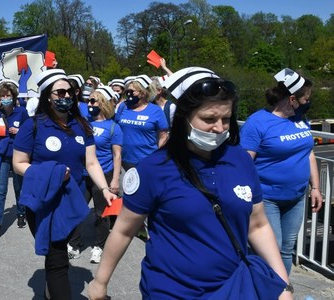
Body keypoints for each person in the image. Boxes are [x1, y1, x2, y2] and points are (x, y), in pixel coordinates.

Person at [88, 67, 292, 300]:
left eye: (226, 119)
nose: (219, 128)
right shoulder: (154, 169)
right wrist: (100, 282)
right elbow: (124, 230)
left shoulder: (241, 161)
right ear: (183, 118)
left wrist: (282, 285)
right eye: (209, 119)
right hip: (172, 290)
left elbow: (257, 225)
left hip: (233, 288)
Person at [13, 69, 115, 300]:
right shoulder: (33, 126)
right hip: (43, 201)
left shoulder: (82, 125)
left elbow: (91, 162)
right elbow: (19, 163)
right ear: (48, 96)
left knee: (57, 255)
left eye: (70, 91)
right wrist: (51, 173)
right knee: (57, 255)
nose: (66, 95)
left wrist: (105, 189)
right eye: (60, 91)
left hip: (73, 201)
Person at [240, 68, 323, 275]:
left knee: (286, 250)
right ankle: (261, 289)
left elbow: (308, 153)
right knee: (270, 249)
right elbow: (244, 163)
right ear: (292, 99)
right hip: (267, 198)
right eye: (306, 98)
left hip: (296, 197)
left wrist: (316, 187)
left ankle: (282, 290)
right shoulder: (257, 123)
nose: (308, 102)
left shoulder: (300, 119)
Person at [68, 85, 123, 264]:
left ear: (103, 103)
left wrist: (115, 180)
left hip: (104, 175)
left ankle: (99, 246)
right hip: (83, 174)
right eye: (88, 100)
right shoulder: (84, 123)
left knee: (101, 214)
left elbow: (117, 155)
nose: (89, 103)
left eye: (93, 100)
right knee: (77, 209)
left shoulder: (113, 127)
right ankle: (74, 245)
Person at [0, 81, 30, 238]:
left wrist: (19, 131)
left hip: (19, 155)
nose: (5, 98)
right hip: (3, 155)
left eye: (8, 95)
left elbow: (30, 132)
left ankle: (21, 213)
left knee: (19, 188)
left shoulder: (22, 112)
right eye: (2, 96)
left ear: (13, 96)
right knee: (1, 190)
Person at [115, 75, 169, 170]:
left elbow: (163, 136)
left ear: (143, 93)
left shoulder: (155, 110)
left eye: (132, 91)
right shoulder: (123, 106)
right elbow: (116, 129)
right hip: (123, 161)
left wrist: (159, 157)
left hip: (147, 160)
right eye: (127, 91)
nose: (128, 94)